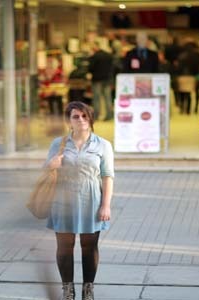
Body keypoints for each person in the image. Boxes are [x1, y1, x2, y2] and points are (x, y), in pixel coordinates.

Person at [44, 101, 114, 300]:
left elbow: (108, 176)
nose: (81, 120)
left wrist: (106, 205)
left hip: (91, 199)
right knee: (65, 247)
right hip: (62, 200)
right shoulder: (58, 144)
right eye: (76, 116)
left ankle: (88, 289)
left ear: (90, 119)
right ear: (69, 121)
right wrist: (52, 164)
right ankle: (68, 290)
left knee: (89, 246)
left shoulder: (103, 144)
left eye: (85, 116)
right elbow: (46, 169)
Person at [88, 41, 114, 121]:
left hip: (97, 80)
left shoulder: (94, 56)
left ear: (95, 47)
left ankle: (96, 115)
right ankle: (109, 115)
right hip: (107, 79)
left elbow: (90, 68)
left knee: (96, 98)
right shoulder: (109, 56)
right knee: (108, 98)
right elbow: (113, 67)